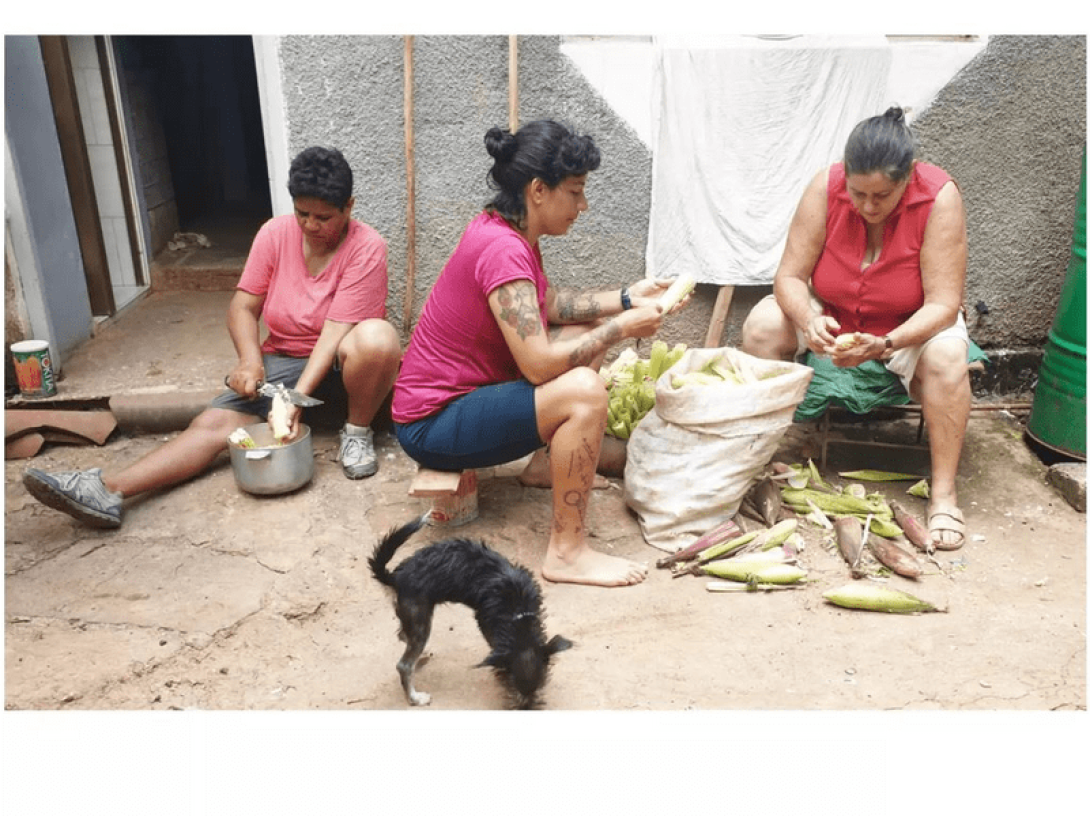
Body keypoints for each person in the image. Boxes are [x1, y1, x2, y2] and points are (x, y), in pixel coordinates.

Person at [24, 146, 402, 529]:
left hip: (344, 373)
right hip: (283, 365)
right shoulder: (274, 234)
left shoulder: (367, 246)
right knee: (211, 426)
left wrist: (291, 398)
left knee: (377, 338)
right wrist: (250, 361)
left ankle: (357, 432)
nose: (310, 225)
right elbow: (242, 308)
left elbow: (335, 331)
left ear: (349, 207)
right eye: (302, 213)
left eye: (324, 217)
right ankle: (109, 490)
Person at [392, 120, 682, 587]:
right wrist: (619, 329)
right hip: (431, 423)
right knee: (583, 392)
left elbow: (540, 306)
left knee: (584, 330)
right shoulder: (503, 249)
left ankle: (547, 465)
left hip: (459, 402)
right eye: (576, 191)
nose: (583, 205)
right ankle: (567, 553)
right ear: (538, 190)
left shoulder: (506, 229)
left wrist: (627, 297)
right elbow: (539, 364)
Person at [741, 106, 970, 551]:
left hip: (908, 325)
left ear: (907, 179)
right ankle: (753, 463)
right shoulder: (823, 189)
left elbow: (944, 303)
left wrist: (886, 343)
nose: (867, 206)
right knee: (762, 325)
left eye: (881, 196)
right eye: (857, 192)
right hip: (835, 313)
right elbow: (788, 276)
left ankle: (943, 494)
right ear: (844, 175)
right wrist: (810, 319)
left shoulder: (939, 197)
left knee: (947, 358)